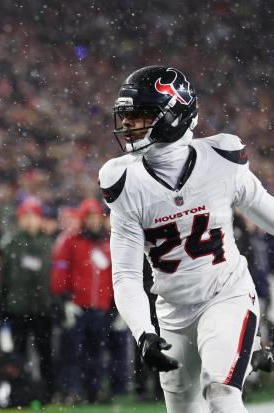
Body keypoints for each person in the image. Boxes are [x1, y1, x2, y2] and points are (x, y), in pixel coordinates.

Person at [99, 66, 274, 413]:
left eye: (141, 115)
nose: (129, 125)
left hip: (226, 294)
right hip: (172, 313)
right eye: (127, 116)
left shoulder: (222, 160)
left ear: (175, 115)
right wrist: (143, 332)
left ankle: (244, 344)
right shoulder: (124, 182)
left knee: (221, 395)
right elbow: (127, 275)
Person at [50, 197, 114, 403]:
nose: (94, 222)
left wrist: (114, 305)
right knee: (73, 353)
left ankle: (93, 391)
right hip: (77, 306)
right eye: (90, 217)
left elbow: (114, 275)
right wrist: (65, 300)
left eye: (96, 217)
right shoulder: (70, 241)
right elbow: (60, 272)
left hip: (100, 307)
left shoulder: (107, 243)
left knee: (96, 353)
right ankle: (72, 391)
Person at [0, 197, 54, 403]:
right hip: (18, 309)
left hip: (42, 308)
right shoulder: (12, 243)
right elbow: (3, 276)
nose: (30, 220)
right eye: (26, 216)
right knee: (18, 356)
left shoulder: (49, 243)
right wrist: (2, 304)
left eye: (34, 216)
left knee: (45, 354)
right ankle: (19, 395)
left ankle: (48, 394)